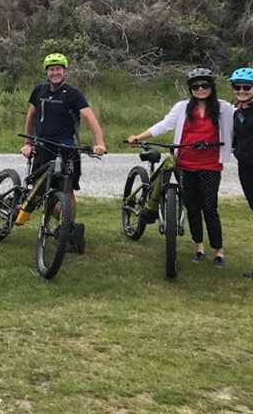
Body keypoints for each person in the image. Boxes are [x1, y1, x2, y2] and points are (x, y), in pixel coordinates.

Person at [127, 68, 234, 267]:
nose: (200, 89)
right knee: (192, 207)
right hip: (185, 164)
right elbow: (164, 125)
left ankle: (218, 250)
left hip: (210, 165)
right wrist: (139, 137)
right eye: (196, 86)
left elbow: (242, 122)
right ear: (190, 89)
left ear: (212, 87)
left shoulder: (224, 108)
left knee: (210, 208)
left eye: (205, 85)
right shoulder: (183, 107)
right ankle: (199, 247)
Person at [17, 53, 107, 249]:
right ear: (47, 72)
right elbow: (31, 117)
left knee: (67, 191)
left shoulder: (73, 93)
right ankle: (65, 225)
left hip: (67, 148)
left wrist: (99, 143)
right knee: (38, 189)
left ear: (65, 71)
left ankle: (66, 229)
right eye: (51, 69)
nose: (55, 72)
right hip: (42, 146)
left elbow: (90, 118)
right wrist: (27, 142)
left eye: (59, 69)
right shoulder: (39, 90)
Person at [229, 68, 253, 277]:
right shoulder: (235, 111)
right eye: (237, 87)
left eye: (247, 87)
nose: (242, 90)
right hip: (245, 167)